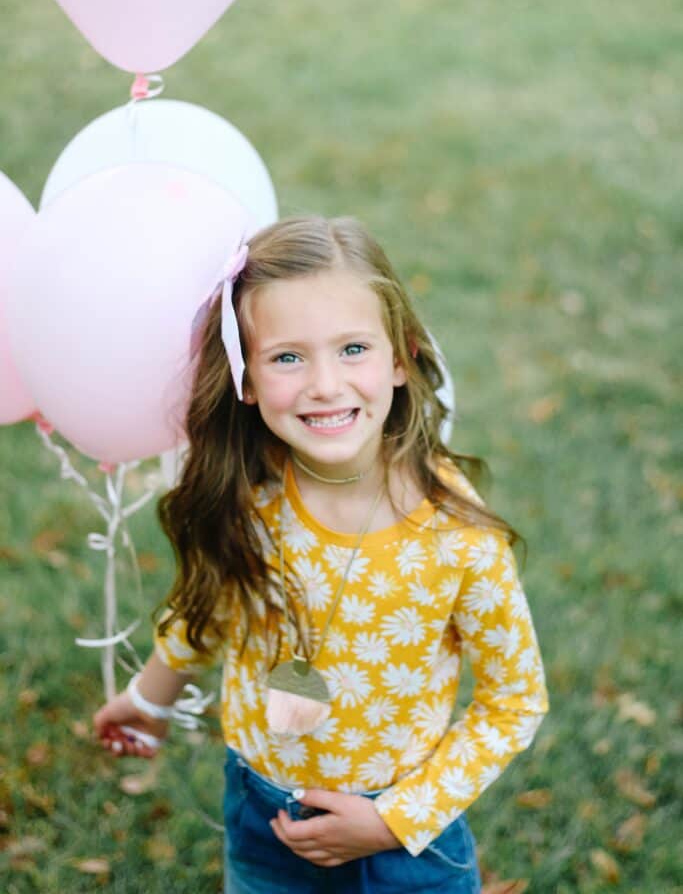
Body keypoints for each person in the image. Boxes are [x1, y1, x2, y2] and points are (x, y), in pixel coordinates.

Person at [94, 216, 548, 893]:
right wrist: (149, 698)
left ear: (402, 358)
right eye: (287, 357)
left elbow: (513, 700)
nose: (325, 385)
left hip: (402, 844)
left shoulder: (457, 538)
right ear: (245, 379)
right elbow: (212, 610)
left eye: (353, 349)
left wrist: (393, 819)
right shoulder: (252, 498)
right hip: (262, 810)